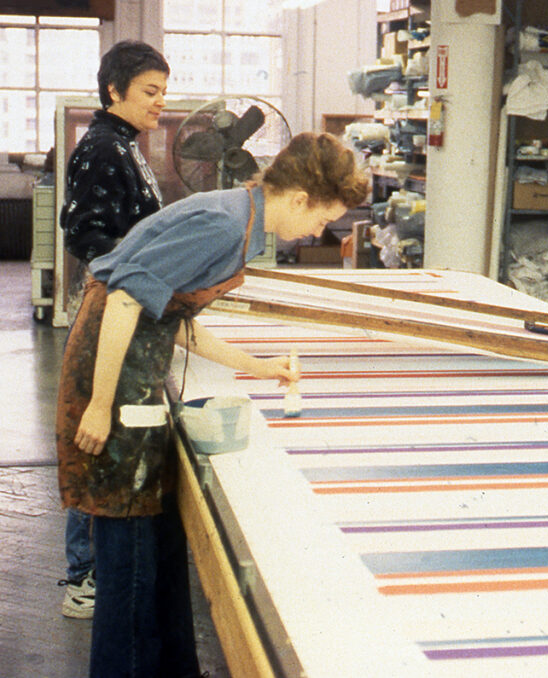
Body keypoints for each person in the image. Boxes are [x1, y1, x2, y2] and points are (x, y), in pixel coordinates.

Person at [55, 132, 370, 678]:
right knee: (128, 547)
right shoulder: (225, 225)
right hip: (112, 370)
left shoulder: (237, 219)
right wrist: (101, 406)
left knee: (151, 532)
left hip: (134, 365)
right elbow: (126, 297)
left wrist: (261, 366)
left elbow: (173, 319)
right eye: (322, 220)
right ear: (299, 199)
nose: (318, 232)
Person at [57, 39, 170, 620]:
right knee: (94, 432)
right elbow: (84, 235)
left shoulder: (124, 144)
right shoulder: (102, 147)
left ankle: (95, 567)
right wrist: (144, 270)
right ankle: (85, 576)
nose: (160, 104)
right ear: (114, 91)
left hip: (131, 304)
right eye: (150, 93)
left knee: (105, 433)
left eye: (163, 93)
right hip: (112, 309)